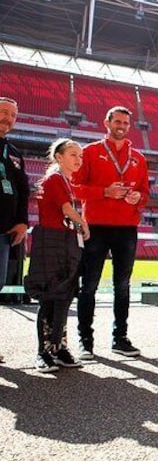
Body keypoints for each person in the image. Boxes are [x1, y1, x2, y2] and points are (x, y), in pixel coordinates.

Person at [72, 106, 149, 359]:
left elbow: (145, 193)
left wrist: (138, 198)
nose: (122, 126)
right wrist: (104, 192)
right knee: (89, 285)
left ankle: (120, 338)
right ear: (106, 122)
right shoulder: (91, 152)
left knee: (123, 286)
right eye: (117, 121)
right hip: (96, 226)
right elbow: (75, 187)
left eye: (126, 123)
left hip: (127, 228)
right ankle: (85, 340)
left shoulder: (138, 157)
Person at [24, 139, 89, 372]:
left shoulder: (68, 182)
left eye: (80, 155)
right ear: (59, 157)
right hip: (51, 241)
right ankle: (43, 352)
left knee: (65, 294)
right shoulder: (54, 179)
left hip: (66, 241)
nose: (78, 159)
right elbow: (66, 210)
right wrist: (83, 224)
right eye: (73, 154)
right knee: (50, 295)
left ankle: (60, 347)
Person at [0, 97, 29, 365]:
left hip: (4, 233)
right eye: (3, 112)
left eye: (12, 115)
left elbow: (22, 190)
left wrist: (22, 221)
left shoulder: (14, 153)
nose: (7, 118)